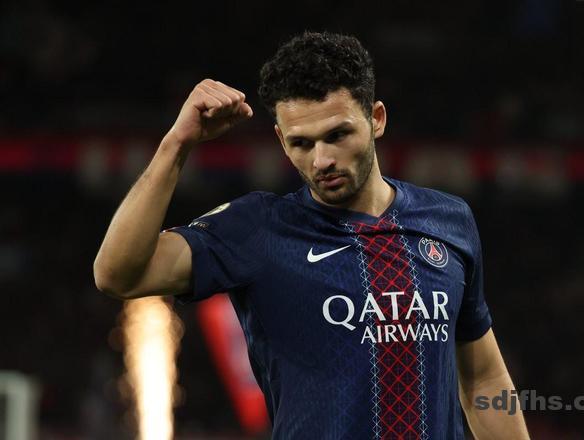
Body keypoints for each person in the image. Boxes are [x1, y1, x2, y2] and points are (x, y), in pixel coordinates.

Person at [94, 31, 529, 439]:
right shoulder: (258, 230)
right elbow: (116, 276)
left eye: (338, 135)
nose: (322, 160)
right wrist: (176, 145)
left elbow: (483, 378)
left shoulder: (447, 220)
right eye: (302, 143)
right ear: (281, 140)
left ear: (376, 119)